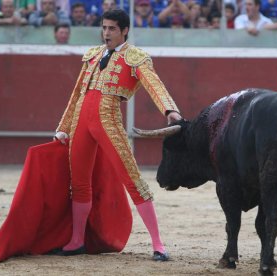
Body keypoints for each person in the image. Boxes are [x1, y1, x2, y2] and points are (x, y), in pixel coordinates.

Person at [53, 8, 182, 260]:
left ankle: (158, 244)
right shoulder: (92, 55)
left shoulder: (136, 57)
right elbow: (77, 92)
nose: (106, 33)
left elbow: (154, 84)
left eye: (112, 28)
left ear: (124, 31)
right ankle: (77, 240)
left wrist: (170, 110)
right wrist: (63, 127)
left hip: (108, 119)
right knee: (78, 183)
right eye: (104, 28)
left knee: (131, 177)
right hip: (80, 120)